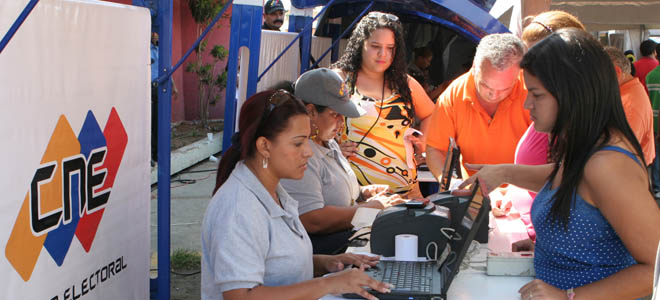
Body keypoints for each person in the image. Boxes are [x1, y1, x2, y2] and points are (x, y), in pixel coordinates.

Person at [458, 28, 660, 300]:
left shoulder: (607, 165)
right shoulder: (584, 147)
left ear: (573, 93)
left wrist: (569, 296)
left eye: (537, 95)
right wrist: (504, 172)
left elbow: (655, 268)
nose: (528, 104)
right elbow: (566, 181)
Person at [203, 90, 391, 300]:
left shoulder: (274, 192)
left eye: (308, 141)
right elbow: (240, 296)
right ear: (264, 146)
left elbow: (277, 264)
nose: (309, 152)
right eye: (298, 143)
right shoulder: (238, 209)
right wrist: (328, 283)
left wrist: (326, 263)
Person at [281, 68, 405, 255]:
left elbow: (336, 192)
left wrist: (364, 193)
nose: (341, 122)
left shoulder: (329, 143)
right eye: (335, 114)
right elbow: (311, 219)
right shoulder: (302, 154)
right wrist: (371, 208)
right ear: (311, 112)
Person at [496, 11, 586, 237]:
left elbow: (576, 177)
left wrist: (504, 173)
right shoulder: (549, 108)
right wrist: (509, 192)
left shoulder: (578, 117)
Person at [331, 11, 435, 197]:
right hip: (354, 196)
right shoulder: (340, 79)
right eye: (375, 46)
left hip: (406, 194)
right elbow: (311, 123)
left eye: (390, 48)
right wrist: (332, 148)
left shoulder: (406, 83)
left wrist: (423, 142)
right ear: (359, 44)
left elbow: (432, 114)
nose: (382, 54)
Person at [425, 33, 530, 181]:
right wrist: (452, 183)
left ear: (519, 74)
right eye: (485, 85)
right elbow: (435, 149)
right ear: (474, 66)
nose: (494, 96)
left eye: (505, 89)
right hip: (474, 192)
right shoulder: (453, 96)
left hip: (523, 192)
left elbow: (550, 157)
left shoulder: (531, 93)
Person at [604, 46, 655, 164]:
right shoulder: (626, 92)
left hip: (627, 170)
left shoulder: (630, 103)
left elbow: (620, 153)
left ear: (616, 73)